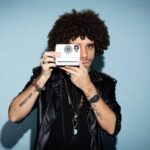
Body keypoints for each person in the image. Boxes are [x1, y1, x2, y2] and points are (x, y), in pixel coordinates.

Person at [8, 9, 121, 150]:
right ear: (63, 47)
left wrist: (89, 88)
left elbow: (112, 128)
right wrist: (42, 78)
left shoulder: (104, 83)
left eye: (90, 46)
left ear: (97, 46)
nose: (85, 54)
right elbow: (14, 116)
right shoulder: (46, 78)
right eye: (77, 47)